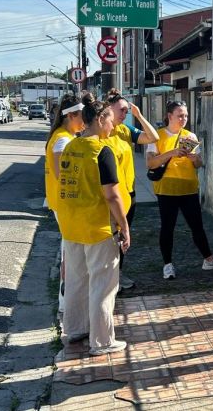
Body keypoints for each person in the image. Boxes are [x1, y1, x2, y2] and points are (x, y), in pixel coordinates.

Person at [55, 100, 131, 356]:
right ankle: (102, 340)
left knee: (77, 279)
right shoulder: (102, 151)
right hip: (97, 226)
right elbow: (112, 195)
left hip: (71, 225)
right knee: (103, 283)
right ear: (99, 120)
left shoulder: (72, 145)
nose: (112, 125)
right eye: (109, 120)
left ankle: (75, 329)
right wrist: (124, 225)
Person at [146, 100, 213, 280]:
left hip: (189, 189)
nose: (184, 119)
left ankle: (208, 259)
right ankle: (167, 265)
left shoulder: (190, 136)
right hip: (166, 189)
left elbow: (199, 163)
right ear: (169, 116)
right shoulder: (157, 136)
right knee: (167, 228)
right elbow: (150, 163)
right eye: (180, 115)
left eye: (186, 115)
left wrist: (194, 159)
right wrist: (171, 153)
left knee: (197, 226)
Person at [105, 88, 160, 290]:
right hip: (112, 194)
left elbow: (153, 137)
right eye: (121, 110)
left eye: (127, 110)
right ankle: (110, 278)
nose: (124, 114)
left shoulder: (126, 130)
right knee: (111, 237)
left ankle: (118, 274)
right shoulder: (102, 133)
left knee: (124, 238)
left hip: (129, 193)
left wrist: (139, 115)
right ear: (108, 109)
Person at [44, 94, 86, 314]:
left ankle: (67, 303)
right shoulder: (63, 140)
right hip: (65, 205)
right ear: (71, 116)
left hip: (61, 204)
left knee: (69, 253)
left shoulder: (63, 136)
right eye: (81, 117)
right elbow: (64, 177)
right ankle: (67, 304)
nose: (84, 122)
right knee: (69, 255)